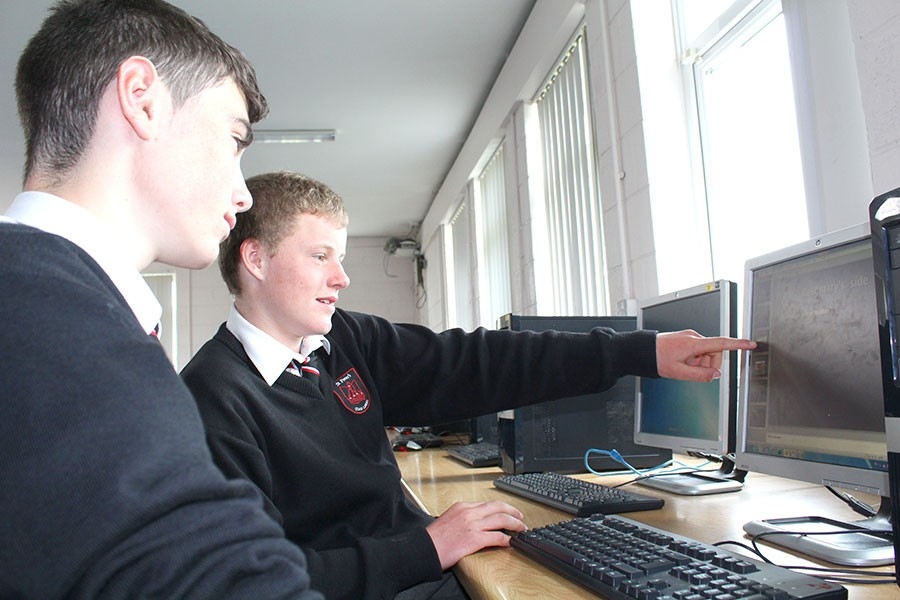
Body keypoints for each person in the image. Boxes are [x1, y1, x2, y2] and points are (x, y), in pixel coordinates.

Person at [181, 170, 757, 599]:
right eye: (320, 256)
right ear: (256, 260)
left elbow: (480, 362)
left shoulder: (344, 342)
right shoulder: (211, 400)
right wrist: (427, 547)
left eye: (341, 256)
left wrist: (641, 352)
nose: (342, 277)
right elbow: (247, 583)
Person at [1, 1, 323, 598]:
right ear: (141, 99)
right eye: (234, 140)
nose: (244, 195)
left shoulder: (53, 301)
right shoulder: (50, 322)